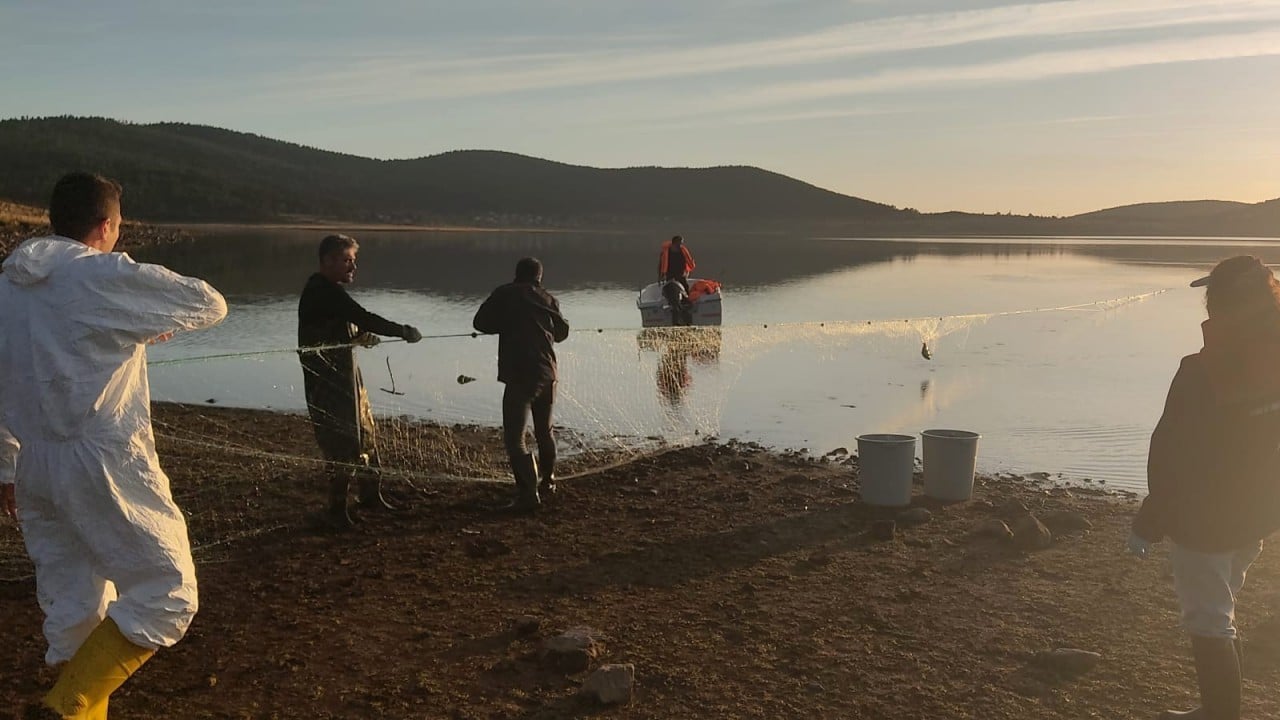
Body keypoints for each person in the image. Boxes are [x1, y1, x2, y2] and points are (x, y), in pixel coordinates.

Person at [0, 172, 228, 718]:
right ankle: (65, 706)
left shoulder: (7, 286)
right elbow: (208, 302)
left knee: (77, 609)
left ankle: (73, 705)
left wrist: (5, 468)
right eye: (118, 227)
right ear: (106, 226)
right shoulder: (96, 275)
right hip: (101, 460)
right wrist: (146, 318)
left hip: (34, 464)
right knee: (168, 591)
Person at [1130, 255, 1280, 720]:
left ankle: (1219, 715)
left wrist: (1149, 520)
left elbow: (1171, 454)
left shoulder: (1200, 371)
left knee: (1210, 621)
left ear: (1218, 306)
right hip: (1253, 517)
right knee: (1222, 614)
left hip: (1205, 521)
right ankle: (1216, 710)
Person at [298, 234, 422, 530]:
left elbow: (349, 324)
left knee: (366, 432)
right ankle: (336, 511)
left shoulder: (330, 291)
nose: (353, 267)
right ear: (327, 261)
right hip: (327, 381)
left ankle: (371, 497)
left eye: (354, 260)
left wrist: (361, 337)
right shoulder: (321, 289)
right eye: (347, 260)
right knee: (342, 440)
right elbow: (361, 316)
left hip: (347, 375)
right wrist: (402, 331)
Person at [473, 257, 570, 512]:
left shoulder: (505, 293)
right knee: (544, 431)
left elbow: (480, 323)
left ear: (516, 274)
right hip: (548, 373)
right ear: (539, 277)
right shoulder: (549, 298)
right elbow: (562, 333)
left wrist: (508, 324)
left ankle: (528, 494)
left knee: (514, 439)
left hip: (520, 374)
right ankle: (548, 481)